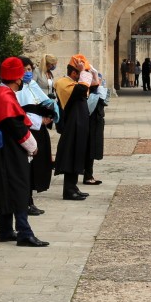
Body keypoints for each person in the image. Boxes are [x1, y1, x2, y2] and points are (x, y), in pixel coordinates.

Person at [0, 57, 49, 247]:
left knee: (4, 187)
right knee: (19, 188)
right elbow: (17, 127)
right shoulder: (6, 97)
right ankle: (24, 232)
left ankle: (4, 230)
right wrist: (33, 146)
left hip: (0, 149)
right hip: (13, 150)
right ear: (18, 78)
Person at [16, 55, 56, 215]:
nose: (28, 72)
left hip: (40, 132)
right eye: (25, 69)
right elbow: (21, 113)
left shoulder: (32, 84)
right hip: (28, 131)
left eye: (30, 69)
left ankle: (29, 200)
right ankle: (25, 202)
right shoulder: (17, 90)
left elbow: (43, 101)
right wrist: (40, 120)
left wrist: (50, 115)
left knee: (38, 166)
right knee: (28, 168)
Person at [53, 56, 95, 201]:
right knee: (71, 156)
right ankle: (69, 190)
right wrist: (84, 71)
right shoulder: (62, 83)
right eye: (81, 72)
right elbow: (83, 89)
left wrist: (92, 73)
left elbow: (93, 85)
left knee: (78, 155)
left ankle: (74, 187)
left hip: (80, 123)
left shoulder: (74, 82)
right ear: (74, 73)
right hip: (72, 124)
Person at [84, 66, 109, 186]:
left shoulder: (97, 90)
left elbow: (104, 99)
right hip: (91, 122)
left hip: (97, 120)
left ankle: (88, 174)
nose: (98, 80)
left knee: (91, 149)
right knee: (89, 148)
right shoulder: (88, 91)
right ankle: (87, 175)